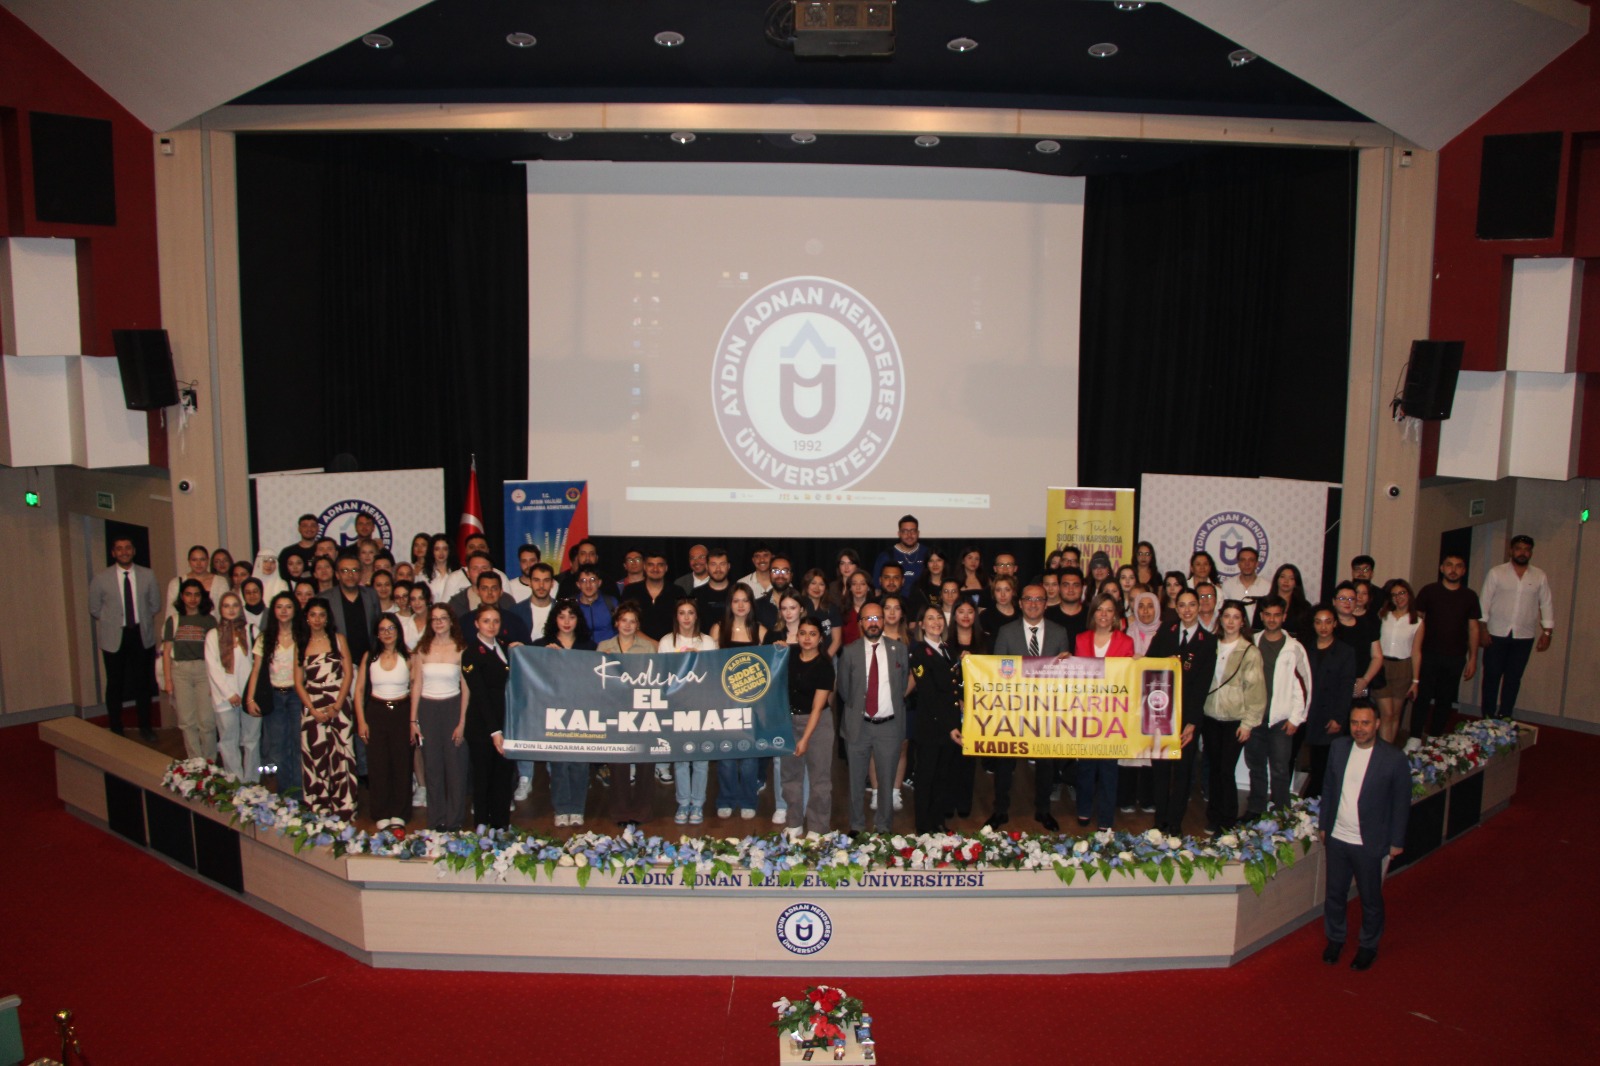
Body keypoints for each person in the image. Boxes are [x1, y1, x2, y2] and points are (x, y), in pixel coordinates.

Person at [1319, 703, 1411, 971]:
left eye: (1365, 723)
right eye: (1355, 723)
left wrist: (1396, 841)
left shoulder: (1393, 758)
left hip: (1370, 842)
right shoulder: (1338, 748)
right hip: (1338, 837)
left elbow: (1401, 803)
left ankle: (1368, 945)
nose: (1359, 728)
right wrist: (1324, 824)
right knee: (1334, 894)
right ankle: (1335, 939)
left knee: (1370, 898)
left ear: (1377, 724)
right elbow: (1329, 787)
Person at [989, 584, 1070, 830]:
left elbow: (1067, 675)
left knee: (1046, 764)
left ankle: (1043, 810)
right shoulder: (1006, 631)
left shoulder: (1059, 632)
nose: (1033, 604)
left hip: (1046, 709)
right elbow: (996, 670)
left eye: (1039, 599)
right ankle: (1000, 810)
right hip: (1012, 709)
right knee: (1004, 763)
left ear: (1046, 604)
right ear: (1020, 603)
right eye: (1028, 599)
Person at [1146, 589, 1217, 837]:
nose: (1187, 610)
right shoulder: (1166, 631)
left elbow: (1202, 686)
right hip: (1161, 712)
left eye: (1192, 605)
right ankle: (1160, 819)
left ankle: (1176, 820)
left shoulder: (1208, 641)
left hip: (1187, 716)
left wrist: (1192, 722)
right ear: (1176, 609)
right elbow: (1149, 664)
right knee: (1160, 769)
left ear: (1199, 607)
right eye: (1182, 605)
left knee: (1183, 770)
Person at [837, 600, 911, 836]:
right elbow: (844, 690)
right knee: (856, 780)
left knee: (887, 781)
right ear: (860, 623)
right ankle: (856, 825)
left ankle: (884, 826)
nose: (873, 623)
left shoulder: (899, 650)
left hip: (889, 726)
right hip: (858, 725)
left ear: (884, 620)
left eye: (877, 617)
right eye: (867, 618)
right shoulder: (850, 651)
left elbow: (901, 686)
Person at [1202, 601, 1266, 832]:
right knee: (1213, 768)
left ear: (1242, 622)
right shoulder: (1211, 645)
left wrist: (1248, 723)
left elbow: (1256, 691)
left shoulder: (1249, 652)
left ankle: (1227, 819)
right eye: (1227, 616)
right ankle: (1213, 816)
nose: (1230, 621)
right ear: (1220, 619)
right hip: (1210, 716)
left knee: (1226, 770)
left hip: (1234, 720)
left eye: (1236, 617)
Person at [533, 600, 598, 827]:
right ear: (554, 620)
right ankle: (561, 808)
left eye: (572, 616)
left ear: (578, 619)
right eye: (561, 617)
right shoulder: (542, 645)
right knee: (559, 763)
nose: (567, 621)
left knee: (580, 763)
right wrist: (543, 657)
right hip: (555, 712)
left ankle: (577, 808)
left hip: (582, 711)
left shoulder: (589, 647)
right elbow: (533, 673)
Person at [90, 537, 163, 740]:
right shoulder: (101, 578)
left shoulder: (147, 575)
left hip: (141, 634)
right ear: (113, 553)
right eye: (119, 549)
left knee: (143, 683)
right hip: (114, 636)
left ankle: (145, 727)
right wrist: (112, 620)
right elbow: (94, 608)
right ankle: (116, 727)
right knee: (115, 684)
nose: (124, 552)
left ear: (133, 551)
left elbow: (155, 605)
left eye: (128, 548)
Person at [1073, 593, 1135, 829]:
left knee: (1109, 769)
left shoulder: (1126, 642)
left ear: (1115, 615)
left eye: (1109, 610)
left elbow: (1128, 678)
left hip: (1113, 715)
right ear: (1093, 613)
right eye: (1100, 609)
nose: (1104, 615)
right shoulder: (1081, 639)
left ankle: (1106, 817)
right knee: (1086, 767)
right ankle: (1084, 809)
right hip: (1087, 712)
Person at [1479, 534, 1555, 720]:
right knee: (1492, 676)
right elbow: (1484, 602)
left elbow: (1546, 603)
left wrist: (1547, 632)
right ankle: (1487, 716)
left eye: (1527, 550)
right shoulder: (1496, 573)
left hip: (1524, 636)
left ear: (1531, 553)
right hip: (1496, 633)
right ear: (1511, 551)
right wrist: (1482, 629)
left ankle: (1506, 715)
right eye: (1519, 549)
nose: (1523, 553)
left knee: (1513, 678)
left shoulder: (1539, 575)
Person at [1247, 596, 1311, 814]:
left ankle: (1282, 814)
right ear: (1261, 616)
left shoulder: (1294, 648)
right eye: (1268, 614)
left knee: (1280, 769)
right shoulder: (1252, 642)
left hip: (1281, 721)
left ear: (1284, 616)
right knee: (1256, 767)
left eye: (1277, 615)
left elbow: (1304, 686)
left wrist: (1296, 719)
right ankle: (1255, 811)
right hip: (1255, 719)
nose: (1272, 619)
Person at [596, 602, 657, 829]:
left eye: (633, 621)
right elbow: (596, 679)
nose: (628, 625)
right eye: (624, 620)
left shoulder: (648, 648)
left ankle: (642, 810)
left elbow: (654, 678)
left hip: (642, 709)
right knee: (618, 761)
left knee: (645, 761)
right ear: (616, 623)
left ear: (638, 625)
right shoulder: (604, 646)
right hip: (614, 709)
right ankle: (620, 810)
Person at [294, 598, 356, 818]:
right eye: (313, 615)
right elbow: (298, 682)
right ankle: (318, 806)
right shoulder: (301, 643)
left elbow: (348, 674)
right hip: (312, 706)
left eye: (321, 615)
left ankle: (344, 806)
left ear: (328, 617)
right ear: (306, 618)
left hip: (339, 703)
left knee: (342, 756)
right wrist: (312, 709)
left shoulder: (338, 640)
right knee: (316, 755)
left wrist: (337, 706)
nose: (317, 619)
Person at [657, 597, 717, 824]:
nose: (686, 617)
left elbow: (713, 674)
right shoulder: (666, 642)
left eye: (690, 612)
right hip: (676, 706)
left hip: (702, 706)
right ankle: (683, 803)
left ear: (696, 616)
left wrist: (698, 661)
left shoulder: (708, 642)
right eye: (682, 613)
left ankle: (698, 804)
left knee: (700, 759)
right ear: (676, 616)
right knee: (681, 758)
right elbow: (661, 676)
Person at [1412, 554, 1482, 740]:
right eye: (1449, 565)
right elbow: (1416, 621)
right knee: (1422, 697)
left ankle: (1435, 735)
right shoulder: (1429, 591)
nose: (1453, 569)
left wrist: (1473, 658)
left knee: (1445, 699)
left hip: (1455, 656)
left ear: (1463, 571)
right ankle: (1414, 737)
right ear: (1442, 568)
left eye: (1458, 566)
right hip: (1428, 654)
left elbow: (1474, 628)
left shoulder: (1470, 596)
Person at [412, 604, 469, 830]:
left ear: (451, 621)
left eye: (443, 618)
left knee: (455, 768)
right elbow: (417, 685)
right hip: (427, 709)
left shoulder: (461, 648)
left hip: (452, 707)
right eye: (434, 619)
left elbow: (466, 687)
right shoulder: (422, 649)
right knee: (432, 767)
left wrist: (462, 721)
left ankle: (454, 821)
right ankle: (436, 820)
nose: (438, 622)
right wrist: (413, 720)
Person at [710, 585, 765, 819]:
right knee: (726, 755)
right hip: (724, 701)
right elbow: (711, 665)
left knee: (750, 755)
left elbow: (768, 668)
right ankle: (726, 798)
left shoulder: (760, 630)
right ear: (729, 604)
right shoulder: (718, 629)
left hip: (752, 702)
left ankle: (748, 800)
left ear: (751, 604)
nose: (741, 605)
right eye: (736, 601)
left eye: (745, 600)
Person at [462, 604, 519, 830]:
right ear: (476, 623)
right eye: (486, 621)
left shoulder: (505, 646)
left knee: (503, 777)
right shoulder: (471, 653)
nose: (491, 625)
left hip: (506, 721)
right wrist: (495, 731)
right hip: (482, 725)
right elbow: (480, 695)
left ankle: (501, 827)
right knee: (483, 778)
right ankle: (482, 827)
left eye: (495, 621)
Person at [356, 613, 413, 830]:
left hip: (402, 712)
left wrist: (413, 721)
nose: (387, 633)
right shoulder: (370, 657)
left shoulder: (409, 656)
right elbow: (359, 690)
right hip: (376, 712)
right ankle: (380, 811)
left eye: (391, 628)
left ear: (398, 631)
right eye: (382, 629)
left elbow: (415, 688)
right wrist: (361, 721)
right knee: (378, 764)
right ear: (377, 634)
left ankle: (400, 812)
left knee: (402, 763)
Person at [909, 606, 963, 834]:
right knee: (926, 778)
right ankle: (923, 826)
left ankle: (938, 821)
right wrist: (950, 726)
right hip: (931, 726)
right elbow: (929, 694)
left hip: (951, 724)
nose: (936, 622)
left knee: (943, 776)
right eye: (930, 618)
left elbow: (956, 685)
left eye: (939, 617)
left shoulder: (949, 650)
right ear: (921, 625)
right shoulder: (919, 653)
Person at [247, 593, 307, 795]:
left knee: (298, 745)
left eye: (288, 606)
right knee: (278, 748)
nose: (283, 611)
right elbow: (256, 670)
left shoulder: (303, 636)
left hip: (297, 696)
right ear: (273, 611)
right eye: (279, 607)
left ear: (295, 610)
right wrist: (250, 698)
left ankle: (300, 794)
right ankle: (285, 793)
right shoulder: (265, 638)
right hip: (274, 697)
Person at [782, 616, 836, 835]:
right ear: (797, 636)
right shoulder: (789, 655)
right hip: (789, 721)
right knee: (790, 776)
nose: (807, 638)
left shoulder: (825, 666)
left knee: (819, 779)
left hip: (817, 723)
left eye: (812, 634)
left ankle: (818, 827)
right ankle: (793, 823)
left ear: (820, 638)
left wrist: (805, 739)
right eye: (803, 633)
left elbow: (817, 708)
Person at [1304, 606, 1357, 799]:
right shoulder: (1305, 649)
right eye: (1318, 622)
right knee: (1311, 760)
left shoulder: (1345, 652)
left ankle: (1319, 802)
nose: (1323, 627)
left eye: (1328, 622)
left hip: (1330, 714)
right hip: (1309, 713)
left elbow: (1346, 688)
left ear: (1335, 624)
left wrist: (1339, 718)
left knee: (1325, 764)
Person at [162, 578, 219, 760]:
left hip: (204, 670)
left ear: (202, 597)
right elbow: (166, 652)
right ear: (182, 597)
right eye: (188, 594)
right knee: (187, 721)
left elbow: (216, 652)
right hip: (181, 672)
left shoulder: (209, 620)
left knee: (207, 721)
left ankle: (209, 761)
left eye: (196, 595)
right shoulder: (173, 620)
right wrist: (168, 680)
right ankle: (195, 761)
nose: (192, 599)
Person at [205, 591, 258, 781]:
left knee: (251, 740)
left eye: (235, 605)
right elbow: (213, 667)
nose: (231, 609)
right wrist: (229, 694)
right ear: (220, 609)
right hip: (224, 698)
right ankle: (235, 781)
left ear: (240, 608)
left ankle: (251, 782)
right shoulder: (213, 635)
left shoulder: (251, 631)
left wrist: (250, 694)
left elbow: (258, 665)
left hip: (250, 696)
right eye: (226, 606)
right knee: (228, 741)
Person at [1374, 580, 1424, 744]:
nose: (1399, 597)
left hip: (1403, 669)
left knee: (1395, 714)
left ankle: (1387, 749)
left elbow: (1416, 652)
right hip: (1382, 666)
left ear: (1409, 595)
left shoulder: (1417, 621)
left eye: (1402, 593)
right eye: (1394, 595)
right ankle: (1381, 751)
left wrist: (1415, 681)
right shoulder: (1383, 615)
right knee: (1386, 713)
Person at [166, 544, 229, 620]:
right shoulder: (176, 583)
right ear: (189, 561)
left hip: (214, 625)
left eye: (202, 559)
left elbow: (226, 609)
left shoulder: (221, 582)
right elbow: (170, 613)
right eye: (194, 560)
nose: (198, 563)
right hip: (185, 626)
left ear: (208, 561)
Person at [874, 514, 930, 585]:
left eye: (913, 531)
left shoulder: (927, 553)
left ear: (918, 533)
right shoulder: (886, 556)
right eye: (905, 531)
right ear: (899, 534)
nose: (909, 535)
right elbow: (877, 587)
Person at [1259, 563, 1312, 638]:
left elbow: (1307, 633)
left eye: (1291, 578)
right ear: (1277, 580)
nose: (1286, 581)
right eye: (1282, 577)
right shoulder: (1263, 602)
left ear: (1296, 583)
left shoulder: (1304, 606)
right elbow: (1256, 629)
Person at [572, 566, 619, 644]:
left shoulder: (611, 603)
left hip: (608, 649)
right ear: (578, 584)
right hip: (580, 650)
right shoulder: (571, 605)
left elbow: (621, 629)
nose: (588, 585)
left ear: (599, 583)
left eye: (592, 580)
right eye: (583, 581)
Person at [692, 548, 734, 629]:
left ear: (728, 566)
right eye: (713, 564)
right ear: (707, 567)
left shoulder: (739, 592)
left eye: (722, 564)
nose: (718, 569)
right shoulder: (696, 594)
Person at [1045, 567, 1088, 645]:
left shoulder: (1092, 615)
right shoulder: (1046, 616)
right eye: (1066, 585)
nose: (1071, 590)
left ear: (1082, 588)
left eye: (1076, 585)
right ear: (1059, 587)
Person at [420, 534, 456, 603]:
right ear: (432, 551)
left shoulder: (458, 572)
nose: (441, 553)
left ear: (449, 551)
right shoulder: (424, 575)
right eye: (437, 549)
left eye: (444, 549)